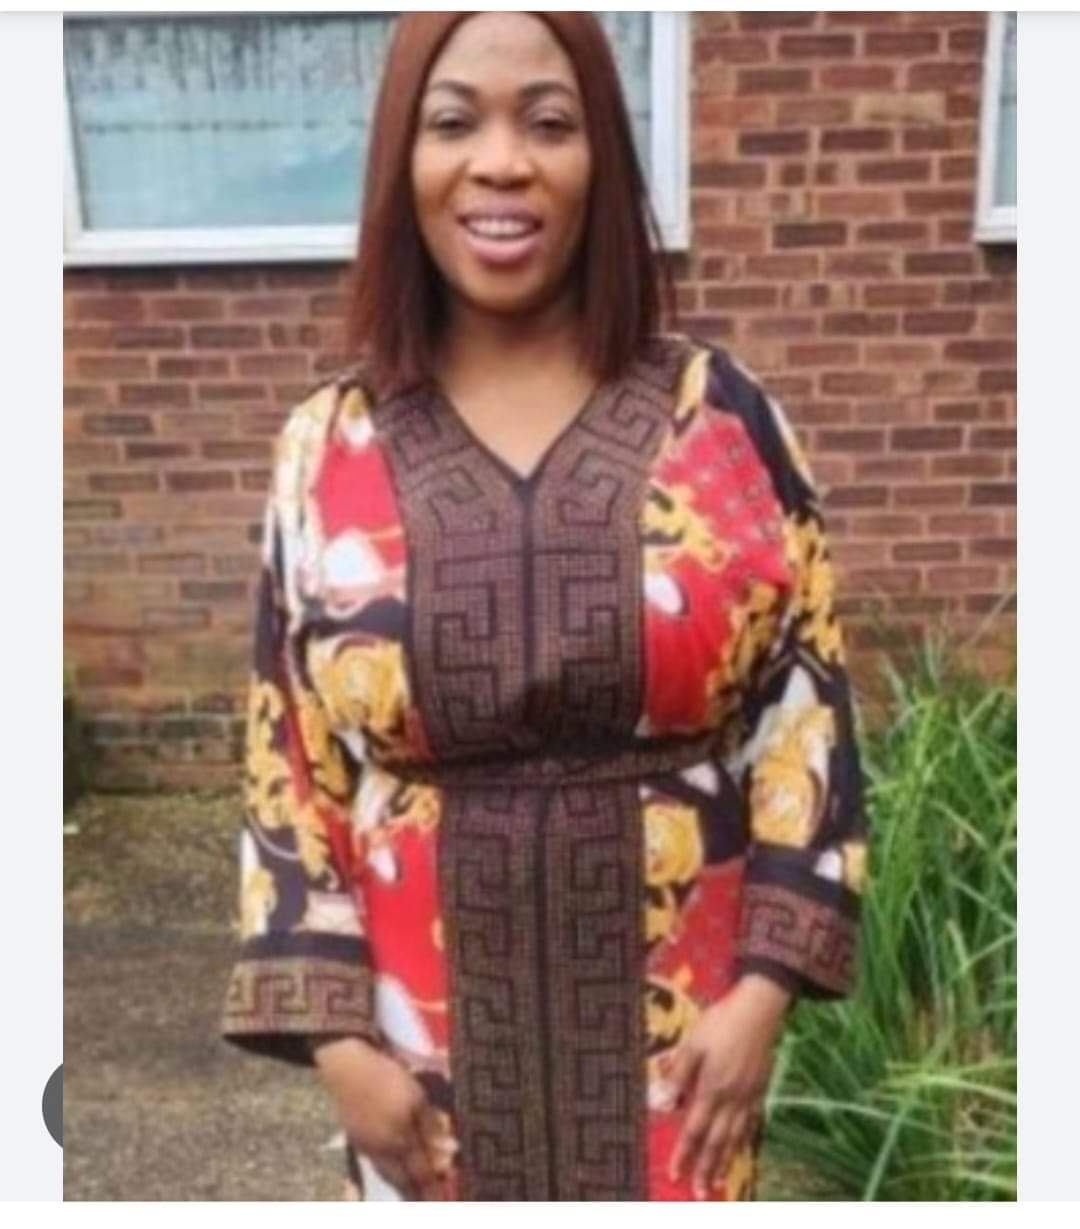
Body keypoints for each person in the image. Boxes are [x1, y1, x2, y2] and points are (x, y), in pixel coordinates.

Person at [221, 11, 868, 1203]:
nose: (502, 162)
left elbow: (807, 718)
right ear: (403, 162)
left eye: (549, 123)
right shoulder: (329, 445)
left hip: (686, 1048)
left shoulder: (722, 417)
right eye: (454, 123)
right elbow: (289, 759)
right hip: (419, 1058)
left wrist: (762, 996)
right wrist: (340, 1043)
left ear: (599, 159)